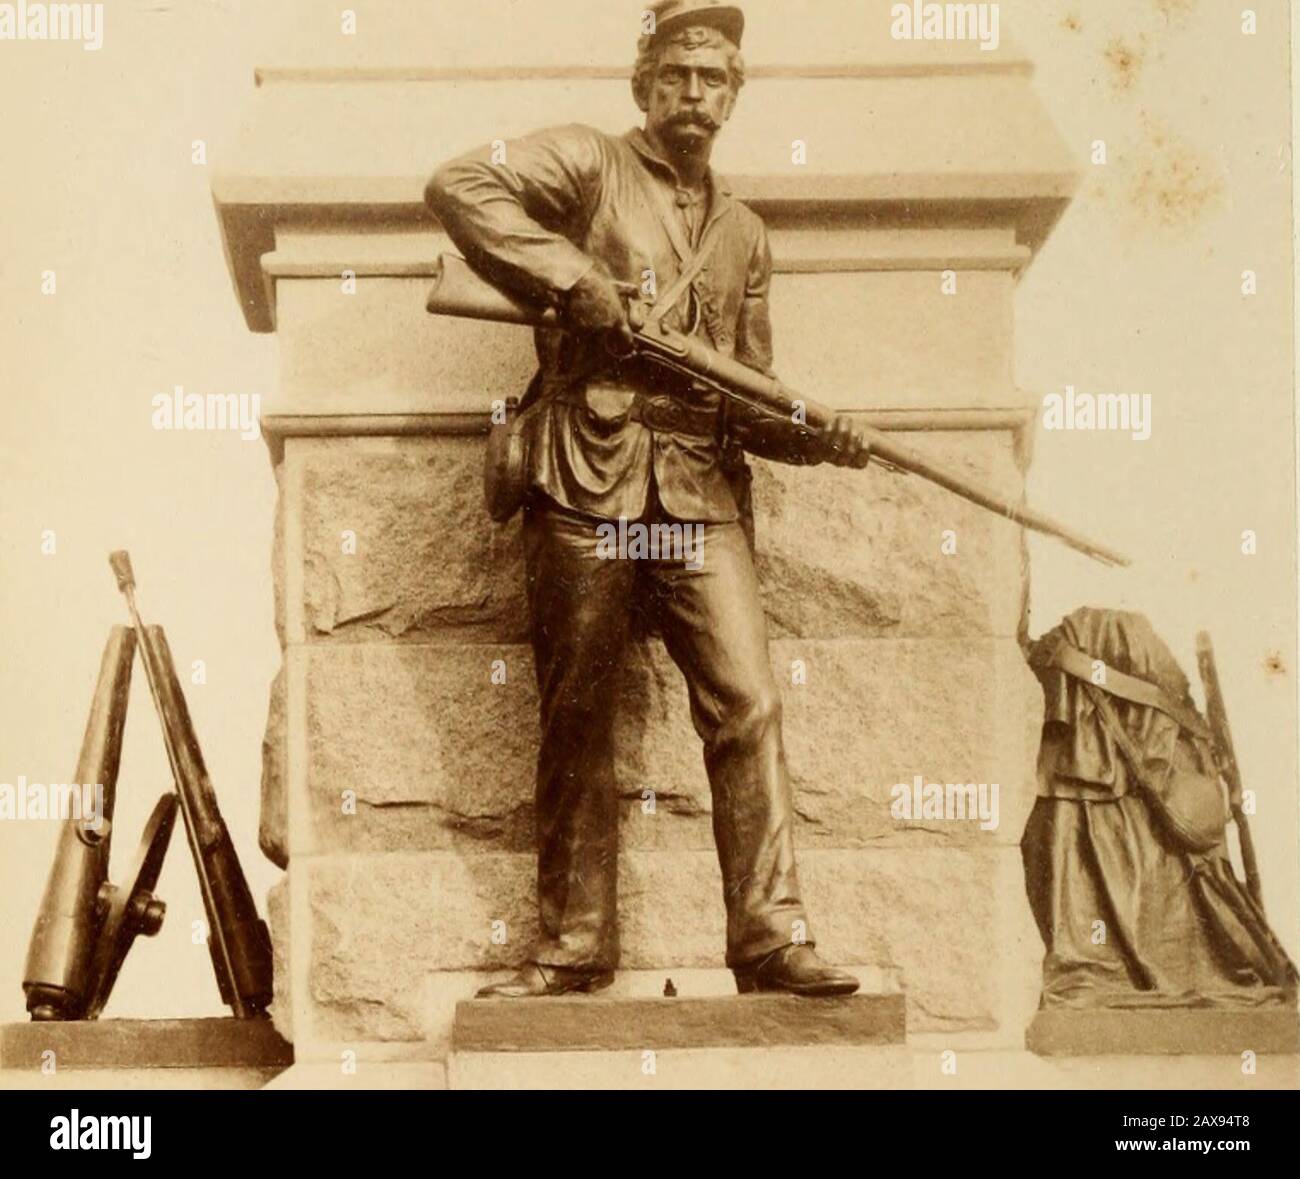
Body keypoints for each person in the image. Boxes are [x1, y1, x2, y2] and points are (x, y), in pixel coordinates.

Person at [426, 0, 869, 998]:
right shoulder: (585, 163)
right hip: (589, 477)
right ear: (643, 83)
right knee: (577, 712)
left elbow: (748, 389)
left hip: (700, 496)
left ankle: (770, 939)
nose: (694, 95)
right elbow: (459, 182)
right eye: (676, 75)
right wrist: (572, 273)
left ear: (734, 97)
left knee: (749, 708)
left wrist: (820, 437)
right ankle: (573, 948)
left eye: (713, 80)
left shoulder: (745, 232)